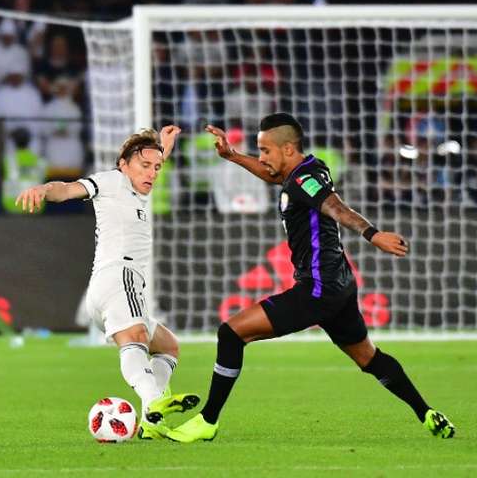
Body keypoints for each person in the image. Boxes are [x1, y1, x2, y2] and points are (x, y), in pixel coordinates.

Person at [166, 112, 455, 443]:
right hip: (338, 284)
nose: (262, 158)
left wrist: (372, 234)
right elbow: (273, 176)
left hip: (319, 288)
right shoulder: (302, 173)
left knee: (231, 334)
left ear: (288, 149)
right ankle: (427, 413)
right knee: (368, 358)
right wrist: (232, 155)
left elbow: (336, 207)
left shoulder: (305, 180)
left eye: (265, 151)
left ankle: (207, 420)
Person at [14, 125, 199, 440]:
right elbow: (69, 188)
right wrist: (44, 190)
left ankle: (152, 422)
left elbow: (149, 163)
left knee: (167, 346)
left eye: (157, 168)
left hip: (106, 289)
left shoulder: (138, 183)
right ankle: (155, 401)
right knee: (135, 338)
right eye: (145, 166)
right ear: (123, 165)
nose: (152, 173)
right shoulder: (112, 181)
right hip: (119, 277)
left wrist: (163, 147)